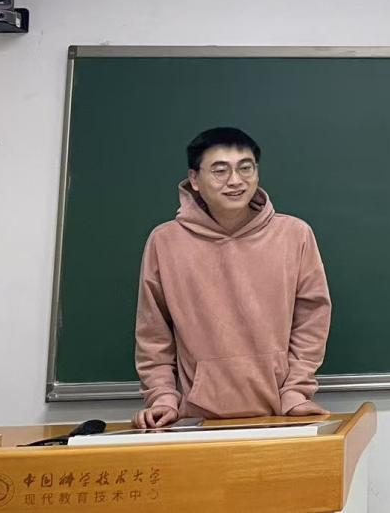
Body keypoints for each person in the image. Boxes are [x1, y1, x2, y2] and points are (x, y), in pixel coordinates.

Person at [133, 127, 332, 428]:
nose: (235, 181)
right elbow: (153, 334)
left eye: (245, 168)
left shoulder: (294, 235)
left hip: (281, 415)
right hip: (196, 420)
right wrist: (162, 398)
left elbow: (312, 320)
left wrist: (296, 391)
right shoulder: (165, 241)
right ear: (194, 179)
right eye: (220, 170)